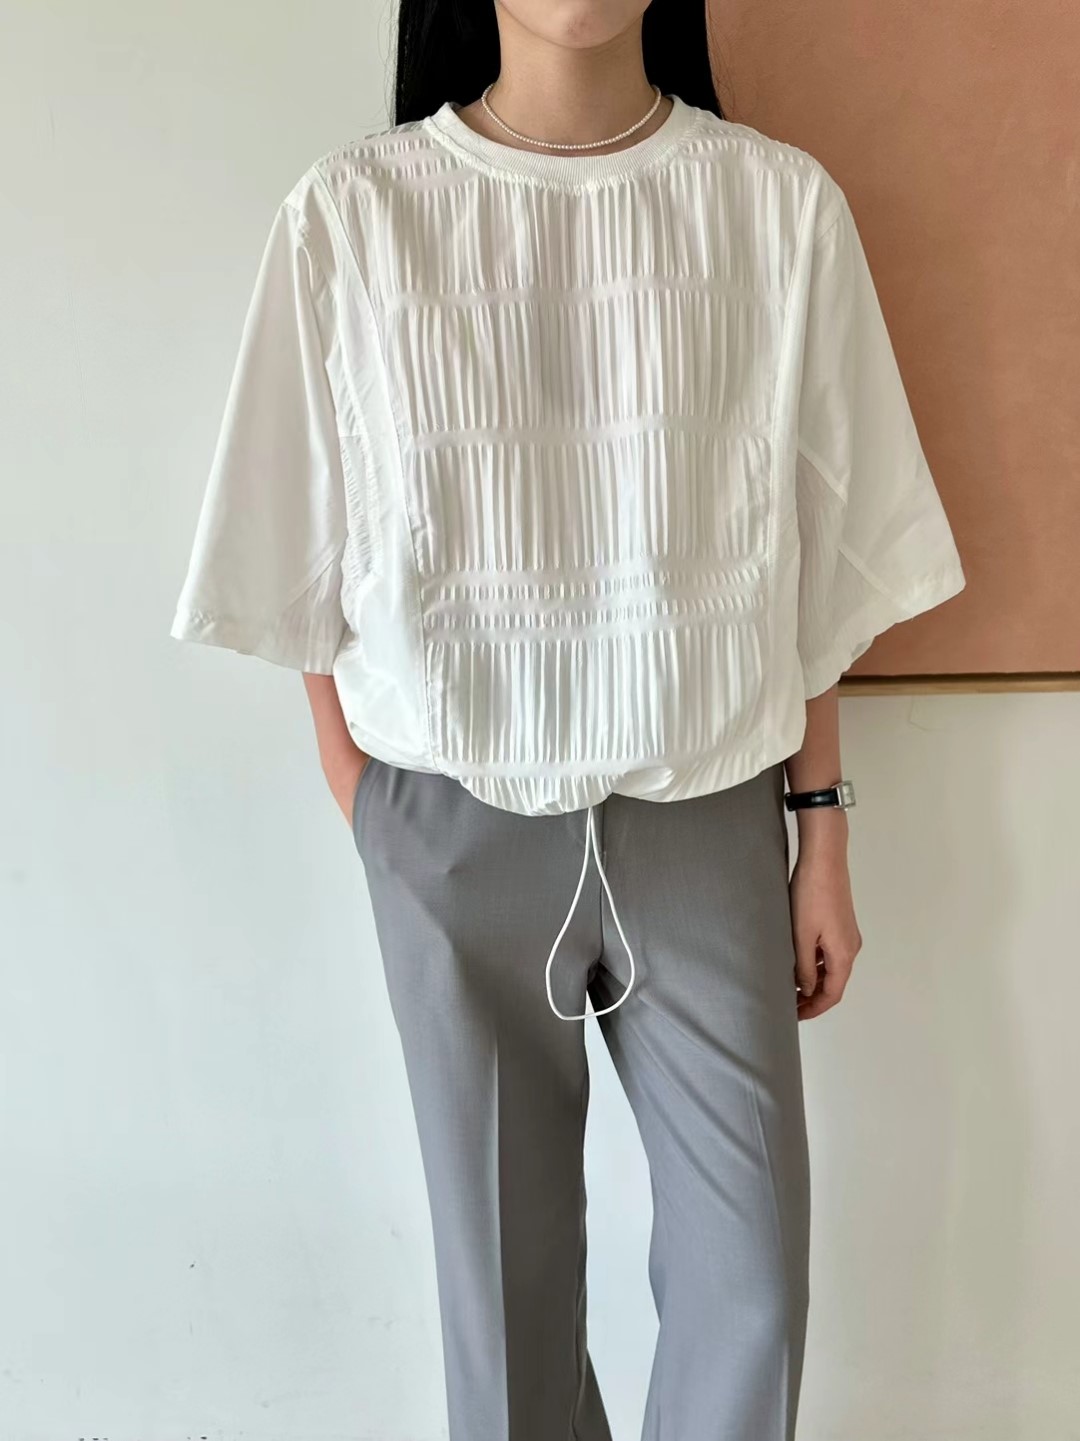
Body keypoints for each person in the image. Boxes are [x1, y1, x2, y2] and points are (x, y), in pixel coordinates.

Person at [169, 2, 966, 1437]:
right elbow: (293, 548)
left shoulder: (776, 206)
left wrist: (820, 829)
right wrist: (372, 803)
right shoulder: (353, 214)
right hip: (450, 824)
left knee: (753, 1287)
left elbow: (816, 559)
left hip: (706, 817)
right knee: (506, 1309)